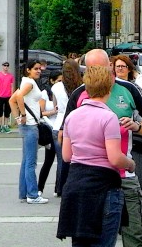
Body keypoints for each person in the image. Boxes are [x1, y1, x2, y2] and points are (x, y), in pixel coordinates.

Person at [63, 49, 142, 247]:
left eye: (101, 68)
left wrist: (137, 126)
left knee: (135, 236)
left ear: (110, 67)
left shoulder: (129, 89)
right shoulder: (79, 94)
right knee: (93, 236)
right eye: (90, 69)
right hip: (94, 177)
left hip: (123, 177)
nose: (96, 73)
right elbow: (65, 134)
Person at [57, 66, 136, 247]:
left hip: (76, 185)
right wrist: (131, 164)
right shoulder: (108, 118)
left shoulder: (72, 117)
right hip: (103, 186)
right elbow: (115, 158)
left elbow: (67, 156)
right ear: (110, 88)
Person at [8, 60, 49, 204]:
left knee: (26, 161)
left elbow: (12, 100)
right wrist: (23, 116)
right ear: (28, 70)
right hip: (31, 125)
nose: (39, 71)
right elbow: (17, 98)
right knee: (31, 162)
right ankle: (32, 194)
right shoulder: (30, 83)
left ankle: (25, 192)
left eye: (39, 69)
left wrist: (17, 118)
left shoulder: (26, 82)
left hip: (27, 125)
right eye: (35, 69)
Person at [45, 59, 81, 198]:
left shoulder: (56, 87)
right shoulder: (80, 86)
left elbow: (56, 105)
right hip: (75, 124)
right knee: (75, 159)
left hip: (58, 123)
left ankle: (60, 187)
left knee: (62, 159)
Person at [0, 62, 14, 133]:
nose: (6, 67)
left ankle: (5, 126)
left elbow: (11, 86)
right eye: (5, 65)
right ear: (2, 66)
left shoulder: (10, 76)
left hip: (8, 96)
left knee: (7, 111)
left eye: (7, 66)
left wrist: (12, 95)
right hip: (0, 96)